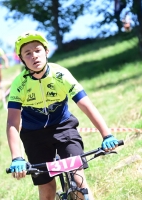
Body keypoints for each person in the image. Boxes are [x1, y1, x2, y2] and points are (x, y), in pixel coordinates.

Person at [6, 30, 119, 200]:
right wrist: (17, 158)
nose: (34, 56)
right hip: (34, 136)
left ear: (46, 52)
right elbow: (13, 123)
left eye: (38, 50)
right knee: (47, 190)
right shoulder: (19, 84)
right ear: (22, 59)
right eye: (27, 53)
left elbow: (86, 105)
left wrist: (107, 134)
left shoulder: (61, 75)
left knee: (78, 180)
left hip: (64, 128)